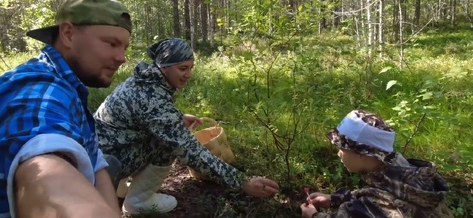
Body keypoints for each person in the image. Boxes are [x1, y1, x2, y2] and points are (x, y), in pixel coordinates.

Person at [0, 0, 132, 217]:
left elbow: (95, 162)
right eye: (111, 43)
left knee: (109, 163)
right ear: (68, 34)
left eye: (124, 48)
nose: (121, 57)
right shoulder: (37, 87)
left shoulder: (70, 87)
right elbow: (42, 157)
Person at [94, 38, 280, 214]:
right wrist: (242, 181)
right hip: (107, 164)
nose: (189, 74)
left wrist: (178, 116)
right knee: (170, 143)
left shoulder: (144, 80)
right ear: (164, 67)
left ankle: (120, 188)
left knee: (167, 135)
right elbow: (189, 149)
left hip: (105, 153)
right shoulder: (152, 97)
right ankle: (139, 201)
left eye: (191, 68)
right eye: (183, 68)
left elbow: (143, 115)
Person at [300, 110, 454, 218]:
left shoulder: (377, 203)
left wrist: (313, 215)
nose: (338, 153)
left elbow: (374, 204)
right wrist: (336, 198)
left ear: (365, 156)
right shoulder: (407, 173)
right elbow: (383, 192)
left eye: (342, 149)